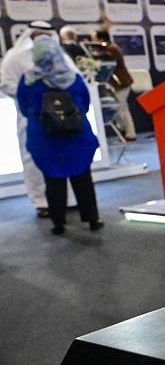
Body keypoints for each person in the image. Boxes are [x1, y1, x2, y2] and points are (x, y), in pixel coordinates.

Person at [16, 36, 103, 235]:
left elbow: (24, 108)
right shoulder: (72, 78)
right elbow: (85, 104)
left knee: (53, 181)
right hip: (77, 137)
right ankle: (92, 219)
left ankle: (58, 223)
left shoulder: (28, 80)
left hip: (44, 139)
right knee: (83, 179)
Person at [1, 20, 61, 217]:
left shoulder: (58, 53)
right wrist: (29, 96)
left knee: (60, 155)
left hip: (58, 114)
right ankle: (41, 202)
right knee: (32, 159)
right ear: (32, 35)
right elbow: (5, 83)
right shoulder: (15, 57)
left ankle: (65, 199)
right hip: (31, 116)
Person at [90, 29, 136, 141]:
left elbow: (108, 58)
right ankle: (127, 133)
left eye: (94, 39)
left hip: (122, 83)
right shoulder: (108, 48)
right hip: (117, 84)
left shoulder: (112, 49)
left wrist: (94, 54)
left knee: (120, 109)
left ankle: (129, 134)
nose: (93, 41)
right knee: (121, 109)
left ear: (101, 39)